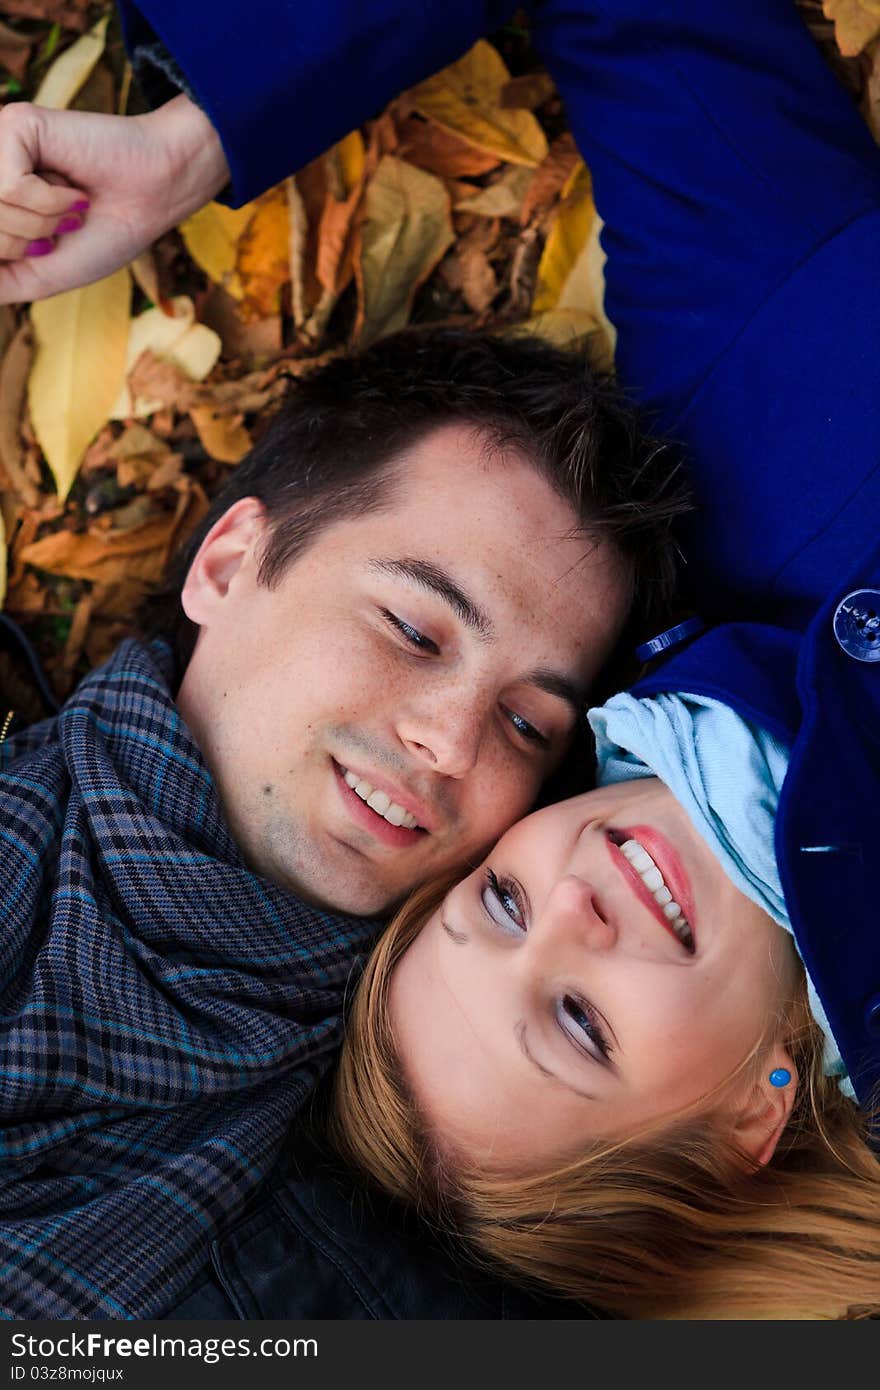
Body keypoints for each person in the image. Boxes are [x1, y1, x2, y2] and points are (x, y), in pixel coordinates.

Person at [2, 0, 880, 1320]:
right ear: (753, 1120)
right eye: (578, 1020)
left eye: (534, 719)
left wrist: (201, 138)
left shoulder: (755, 398)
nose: (453, 743)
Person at [0, 326, 681, 1320]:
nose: (452, 743)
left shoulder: (441, 1196)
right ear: (229, 565)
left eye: (525, 722)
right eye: (413, 629)